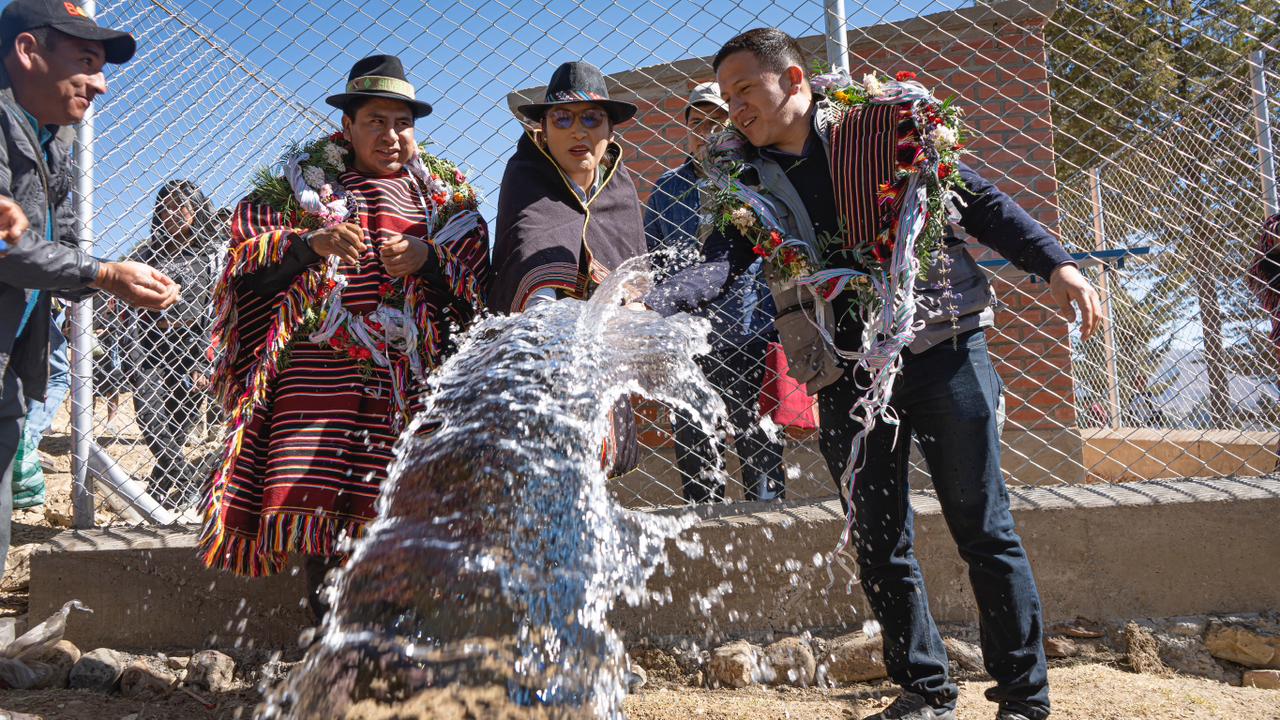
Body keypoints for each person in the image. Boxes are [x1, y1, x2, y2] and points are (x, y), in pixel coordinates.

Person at [648, 29, 1102, 720]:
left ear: (794, 80)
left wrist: (1057, 264)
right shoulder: (742, 181)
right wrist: (651, 301)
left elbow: (977, 200)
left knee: (982, 523)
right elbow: (720, 266)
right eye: (728, 95)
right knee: (877, 536)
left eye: (746, 90)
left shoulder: (884, 128)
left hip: (942, 344)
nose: (735, 108)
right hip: (844, 372)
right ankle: (924, 689)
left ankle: (1024, 696)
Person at [200, 55, 490, 621]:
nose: (391, 135)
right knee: (317, 511)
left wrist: (428, 261)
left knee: (400, 509)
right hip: (318, 373)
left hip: (410, 380)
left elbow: (476, 289)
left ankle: (394, 636)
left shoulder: (447, 202)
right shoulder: (300, 191)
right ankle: (329, 639)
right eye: (376, 121)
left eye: (403, 123)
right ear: (348, 127)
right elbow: (248, 274)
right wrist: (313, 247)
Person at [0, 0, 180, 579]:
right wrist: (102, 274)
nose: (101, 84)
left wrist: (100, 273)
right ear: (28, 52)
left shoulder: (56, 139)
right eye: (86, 61)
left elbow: (64, 241)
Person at [489, 60, 647, 477]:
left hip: (602, 350)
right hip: (540, 347)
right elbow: (526, 248)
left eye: (592, 119)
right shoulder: (525, 175)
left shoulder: (619, 185)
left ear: (610, 131)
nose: (578, 132)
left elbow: (628, 260)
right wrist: (544, 310)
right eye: (563, 118)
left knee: (597, 465)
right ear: (543, 128)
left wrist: (632, 303)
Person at [645, 81, 783, 503]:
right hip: (689, 340)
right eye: (697, 120)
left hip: (750, 329)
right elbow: (656, 257)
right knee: (693, 434)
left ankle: (769, 513)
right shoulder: (668, 189)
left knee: (757, 433)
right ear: (686, 128)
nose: (706, 129)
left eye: (716, 119)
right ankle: (705, 515)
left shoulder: (755, 178)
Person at [125, 180, 222, 503]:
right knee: (150, 419)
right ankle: (190, 488)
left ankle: (159, 494)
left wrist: (204, 361)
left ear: (196, 210)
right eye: (166, 206)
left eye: (182, 205)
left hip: (194, 346)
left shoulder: (212, 255)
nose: (174, 213)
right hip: (150, 345)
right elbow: (129, 308)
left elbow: (218, 309)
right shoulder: (146, 253)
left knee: (179, 427)